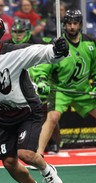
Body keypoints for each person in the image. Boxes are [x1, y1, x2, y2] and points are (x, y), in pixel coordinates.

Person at [0, 14, 68, 183]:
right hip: (1, 118)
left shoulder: (14, 52)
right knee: (8, 162)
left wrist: (58, 50)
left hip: (27, 112)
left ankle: (48, 171)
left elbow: (43, 53)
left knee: (26, 154)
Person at [31, 10, 96, 156]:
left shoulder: (90, 43)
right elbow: (43, 67)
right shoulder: (58, 45)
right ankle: (38, 154)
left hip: (83, 90)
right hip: (59, 90)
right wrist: (41, 80)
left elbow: (95, 69)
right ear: (64, 25)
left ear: (80, 25)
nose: (72, 27)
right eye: (69, 24)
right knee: (52, 117)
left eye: (75, 23)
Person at [4, 18, 61, 154]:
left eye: (21, 32)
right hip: (14, 84)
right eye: (15, 32)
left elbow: (47, 64)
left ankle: (52, 142)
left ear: (28, 32)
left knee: (46, 111)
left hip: (40, 81)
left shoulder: (40, 44)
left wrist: (42, 80)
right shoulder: (5, 46)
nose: (18, 35)